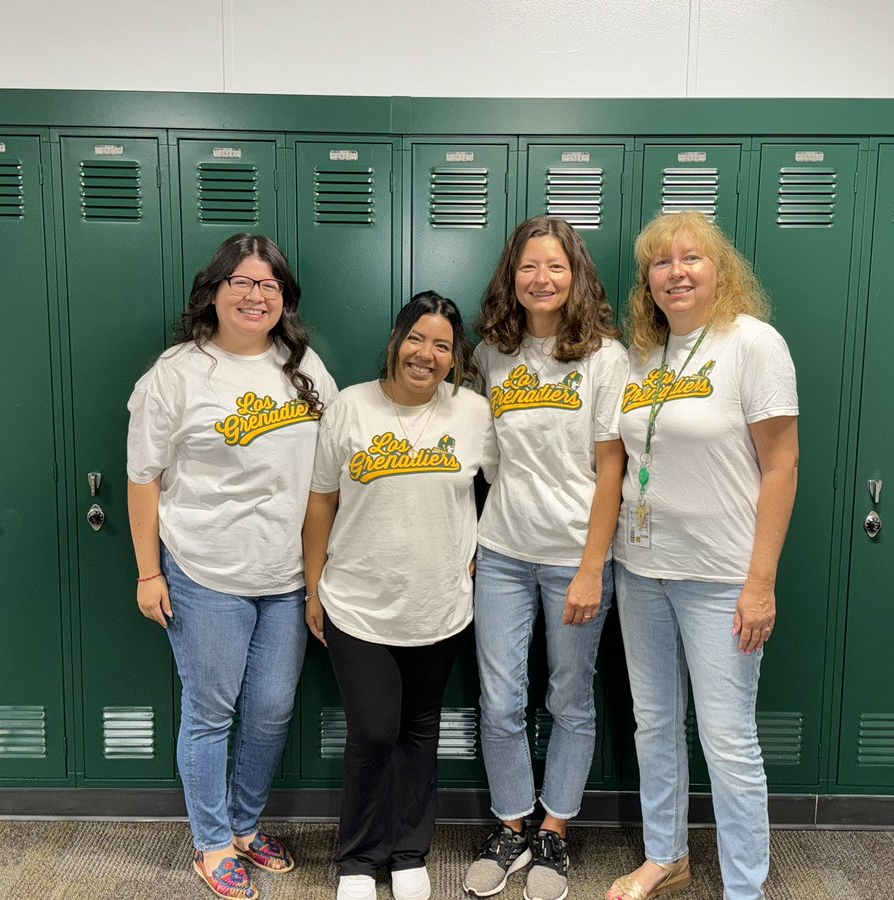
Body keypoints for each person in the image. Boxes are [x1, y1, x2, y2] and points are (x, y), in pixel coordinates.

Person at [126, 234, 337, 900]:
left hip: (286, 578)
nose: (255, 295)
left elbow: (327, 471)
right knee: (211, 713)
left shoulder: (303, 367)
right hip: (205, 571)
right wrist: (148, 572)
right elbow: (143, 477)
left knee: (272, 711)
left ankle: (245, 827)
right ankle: (213, 844)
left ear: (285, 300)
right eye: (241, 282)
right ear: (213, 293)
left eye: (269, 285)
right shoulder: (178, 374)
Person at [607, 211, 798, 900]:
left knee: (727, 740)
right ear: (648, 281)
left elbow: (781, 467)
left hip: (721, 578)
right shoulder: (640, 357)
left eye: (692, 259)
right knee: (654, 723)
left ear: (721, 270)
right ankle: (667, 855)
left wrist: (761, 584)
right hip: (641, 571)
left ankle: (745, 887)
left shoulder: (752, 344)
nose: (676, 272)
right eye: (661, 262)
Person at [302, 292, 497, 900]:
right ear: (396, 339)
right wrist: (313, 586)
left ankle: (411, 852)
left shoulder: (471, 412)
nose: (427, 354)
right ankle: (359, 860)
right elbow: (321, 500)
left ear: (455, 357)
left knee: (420, 729)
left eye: (442, 346)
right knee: (373, 730)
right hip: (357, 603)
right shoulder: (350, 408)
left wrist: (478, 547)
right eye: (417, 339)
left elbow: (504, 486)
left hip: (439, 605)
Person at [463, 216, 628, 900]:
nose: (541, 279)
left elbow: (611, 470)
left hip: (574, 557)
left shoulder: (604, 359)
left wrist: (593, 566)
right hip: (501, 550)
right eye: (529, 267)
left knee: (568, 698)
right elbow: (484, 462)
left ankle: (555, 832)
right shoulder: (489, 357)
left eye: (555, 267)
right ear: (512, 276)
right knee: (499, 700)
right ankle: (511, 826)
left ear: (575, 275)